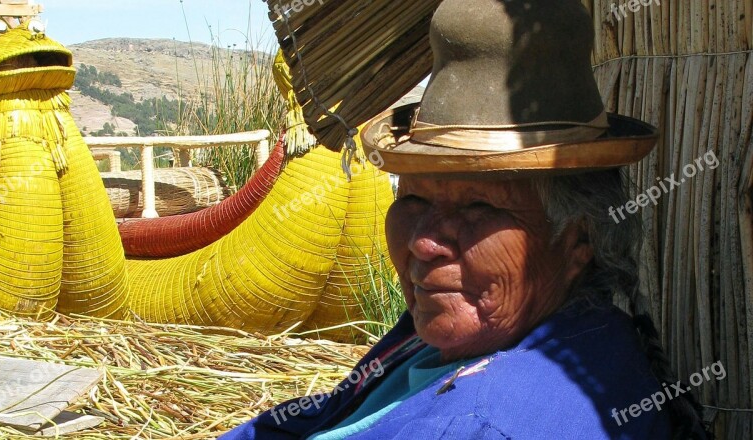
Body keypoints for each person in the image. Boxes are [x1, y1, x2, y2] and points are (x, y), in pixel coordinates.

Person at [221, 0, 707, 438]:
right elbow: (325, 414)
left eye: (480, 208)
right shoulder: (456, 330)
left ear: (580, 237)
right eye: (411, 199)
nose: (424, 241)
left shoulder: (477, 425)